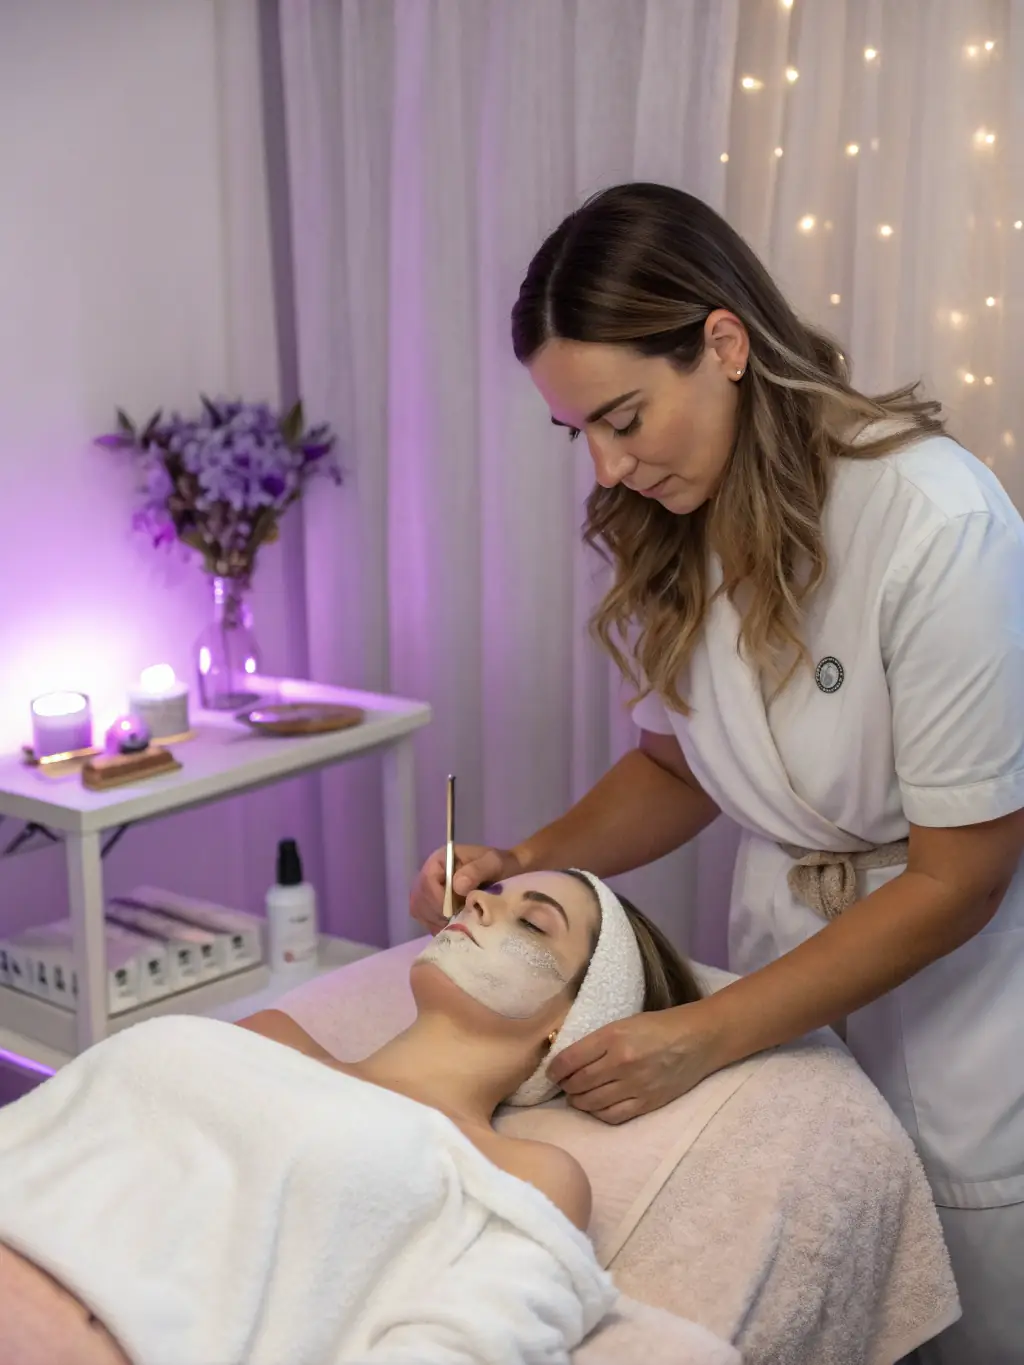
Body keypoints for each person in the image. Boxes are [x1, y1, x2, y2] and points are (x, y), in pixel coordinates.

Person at [410, 183, 1024, 1364]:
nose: (603, 467)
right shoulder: (672, 524)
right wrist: (526, 861)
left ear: (724, 343)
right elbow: (677, 766)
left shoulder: (932, 521)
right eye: (577, 432)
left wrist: (709, 1033)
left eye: (624, 417)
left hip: (959, 999)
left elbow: (965, 876)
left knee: (974, 1313)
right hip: (787, 960)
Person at [0, 869, 700, 1365]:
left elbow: (482, 1336)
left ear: (571, 1024)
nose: (480, 906)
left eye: (532, 919)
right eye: (489, 893)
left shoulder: (517, 1169)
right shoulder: (272, 1032)